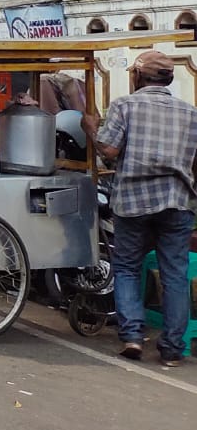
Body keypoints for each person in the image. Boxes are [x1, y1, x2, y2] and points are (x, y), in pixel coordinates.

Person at [82, 49, 197, 365]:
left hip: (134, 200)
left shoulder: (125, 105)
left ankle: (132, 337)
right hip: (178, 201)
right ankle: (173, 351)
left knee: (128, 267)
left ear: (137, 77)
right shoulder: (190, 112)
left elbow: (108, 148)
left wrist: (90, 126)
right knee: (175, 274)